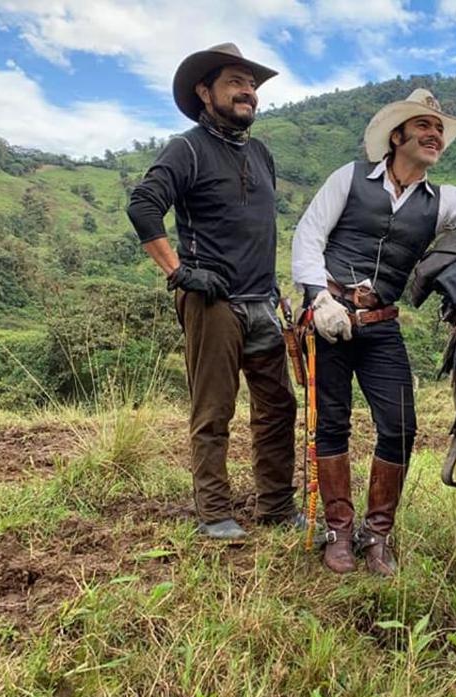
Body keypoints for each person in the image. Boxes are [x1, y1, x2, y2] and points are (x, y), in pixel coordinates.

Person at [292, 88, 456, 575]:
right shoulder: (348, 178)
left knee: (400, 426)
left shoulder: (442, 200)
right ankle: (339, 533)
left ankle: (378, 534)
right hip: (330, 317)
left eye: (439, 131)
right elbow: (309, 236)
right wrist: (318, 298)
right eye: (424, 128)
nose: (435, 136)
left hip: (380, 323)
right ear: (397, 137)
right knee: (331, 424)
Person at [127, 43, 298, 540]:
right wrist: (180, 272)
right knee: (214, 409)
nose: (248, 92)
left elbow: (257, 229)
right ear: (205, 92)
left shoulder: (262, 153)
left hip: (262, 300)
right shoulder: (187, 148)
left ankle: (275, 507)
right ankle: (215, 513)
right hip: (214, 300)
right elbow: (143, 206)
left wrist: (276, 289)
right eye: (235, 83)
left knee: (277, 408)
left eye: (252, 85)